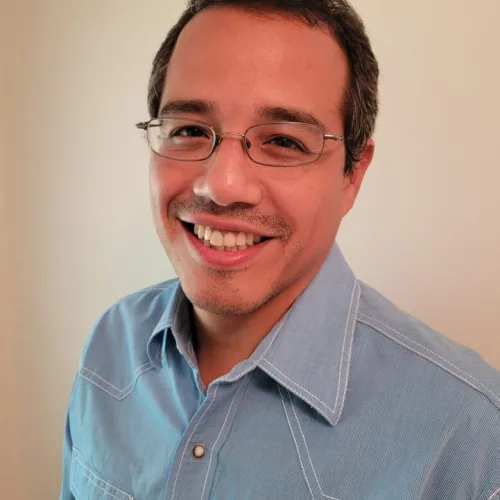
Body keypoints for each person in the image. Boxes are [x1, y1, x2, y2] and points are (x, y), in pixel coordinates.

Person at [59, 0, 500, 498]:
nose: (222, 185)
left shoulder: (474, 438)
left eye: (285, 142)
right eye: (189, 130)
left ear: (353, 174)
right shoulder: (109, 345)